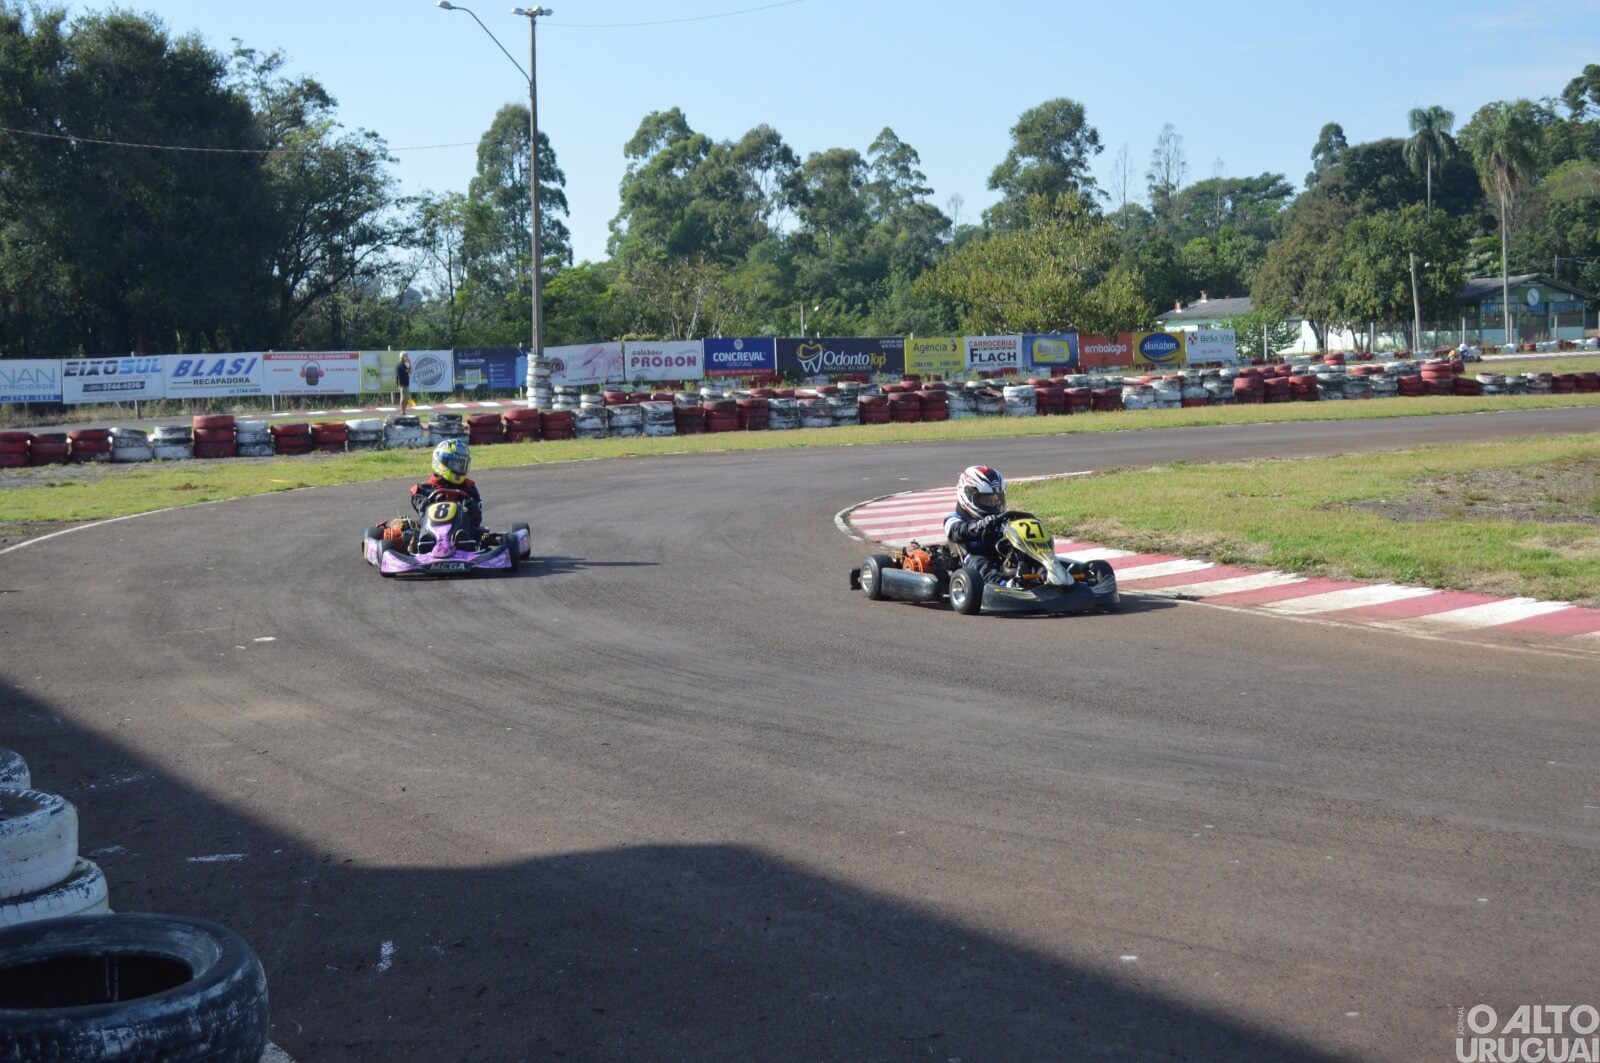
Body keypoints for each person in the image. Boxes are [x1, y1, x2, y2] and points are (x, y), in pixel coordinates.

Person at [943, 465, 1010, 585]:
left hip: (998, 558)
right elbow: (957, 530)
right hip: (968, 563)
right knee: (979, 562)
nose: (993, 504)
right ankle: (1001, 584)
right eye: (986, 500)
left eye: (995, 500)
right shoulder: (953, 519)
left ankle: (1043, 575)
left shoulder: (997, 520)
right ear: (968, 496)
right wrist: (977, 526)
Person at [410, 439, 483, 533]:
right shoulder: (424, 490)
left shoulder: (469, 489)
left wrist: (472, 507)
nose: (459, 468)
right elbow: (420, 506)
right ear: (440, 461)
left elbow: (477, 521)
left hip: (463, 537)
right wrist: (426, 503)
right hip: (430, 536)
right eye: (454, 464)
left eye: (461, 465)